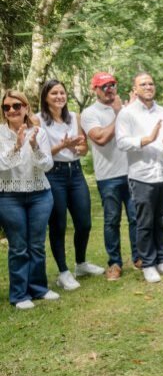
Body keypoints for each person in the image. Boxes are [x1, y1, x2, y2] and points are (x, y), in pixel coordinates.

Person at [38, 80, 103, 291]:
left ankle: (81, 264)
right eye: (54, 93)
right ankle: (63, 272)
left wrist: (78, 148)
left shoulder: (75, 117)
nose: (59, 96)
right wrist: (62, 146)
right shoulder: (38, 120)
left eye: (62, 93)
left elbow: (84, 148)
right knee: (58, 225)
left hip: (75, 172)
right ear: (45, 97)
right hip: (53, 174)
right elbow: (40, 155)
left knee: (84, 223)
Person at [115, 72, 163, 283]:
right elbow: (122, 142)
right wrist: (147, 139)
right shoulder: (126, 114)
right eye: (143, 84)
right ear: (135, 89)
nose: (148, 87)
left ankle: (162, 259)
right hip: (142, 176)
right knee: (144, 223)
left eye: (151, 83)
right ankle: (148, 264)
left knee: (162, 221)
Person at [0, 91, 58, 309]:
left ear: (26, 107)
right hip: (9, 196)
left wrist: (33, 146)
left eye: (16, 105)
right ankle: (19, 294)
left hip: (40, 194)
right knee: (18, 247)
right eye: (6, 107)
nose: (12, 110)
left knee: (37, 245)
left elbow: (47, 165)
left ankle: (38, 289)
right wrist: (17, 146)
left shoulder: (39, 133)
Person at [81, 72, 139, 281]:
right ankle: (114, 263)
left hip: (132, 172)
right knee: (112, 220)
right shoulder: (89, 113)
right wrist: (119, 113)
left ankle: (139, 258)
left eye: (112, 85)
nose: (109, 89)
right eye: (104, 86)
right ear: (95, 90)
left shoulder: (127, 109)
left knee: (136, 218)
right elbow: (101, 138)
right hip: (108, 176)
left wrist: (129, 110)